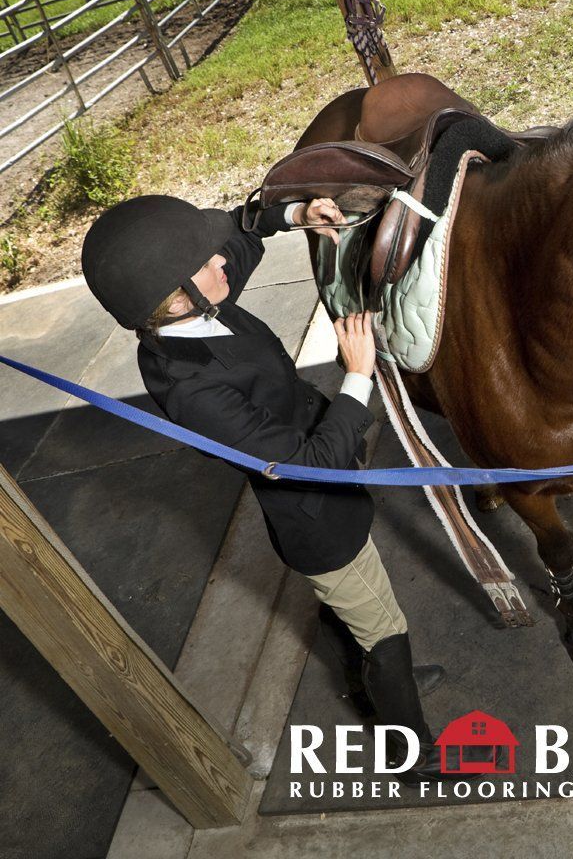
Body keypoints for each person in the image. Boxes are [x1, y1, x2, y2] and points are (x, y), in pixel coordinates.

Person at [81, 193, 458, 783]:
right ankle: (411, 747)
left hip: (316, 487)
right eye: (207, 263)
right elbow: (310, 463)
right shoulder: (191, 389)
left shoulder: (196, 301)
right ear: (177, 296)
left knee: (348, 613)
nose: (222, 263)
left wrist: (295, 216)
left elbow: (244, 231)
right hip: (316, 515)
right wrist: (356, 374)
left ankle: (371, 691)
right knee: (386, 630)